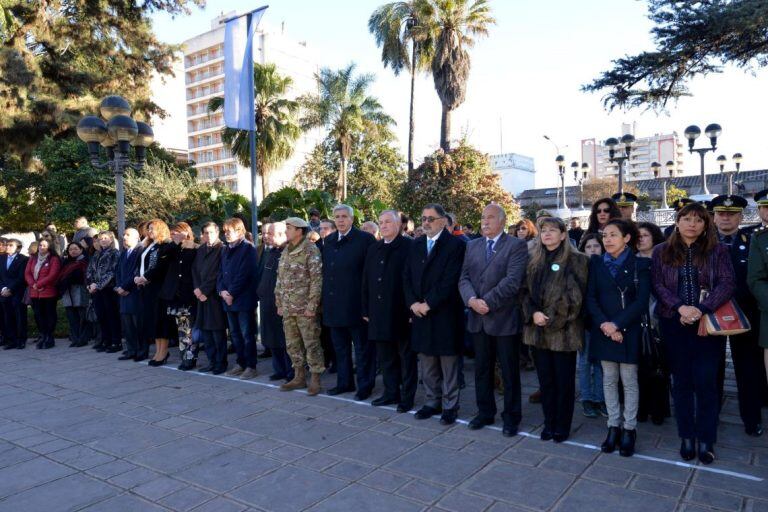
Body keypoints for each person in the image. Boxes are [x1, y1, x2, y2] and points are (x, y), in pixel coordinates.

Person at [652, 202, 735, 464]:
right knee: (682, 383)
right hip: (673, 323)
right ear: (677, 222)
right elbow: (657, 284)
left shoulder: (718, 250)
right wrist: (680, 307)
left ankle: (707, 439)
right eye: (686, 219)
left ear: (705, 224)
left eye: (698, 220)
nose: (692, 224)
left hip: (706, 325)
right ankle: (687, 436)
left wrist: (701, 308)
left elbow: (727, 282)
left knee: (707, 383)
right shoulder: (661, 250)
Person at [459, 204, 529, 436]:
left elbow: (512, 281)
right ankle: (485, 412)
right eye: (482, 217)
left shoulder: (516, 245)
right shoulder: (472, 245)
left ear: (501, 220)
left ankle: (511, 417)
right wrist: (471, 300)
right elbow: (464, 278)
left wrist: (485, 302)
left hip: (503, 318)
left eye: (490, 217)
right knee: (482, 370)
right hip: (478, 319)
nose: (484, 222)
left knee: (509, 372)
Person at [521, 217, 588, 442]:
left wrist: (549, 319)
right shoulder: (533, 260)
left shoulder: (577, 260)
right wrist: (533, 314)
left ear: (563, 234)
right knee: (546, 382)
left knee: (564, 382)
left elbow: (574, 298)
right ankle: (549, 422)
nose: (547, 234)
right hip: (537, 332)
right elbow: (523, 293)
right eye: (543, 230)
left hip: (563, 333)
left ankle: (562, 425)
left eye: (552, 230)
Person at [586, 219, 650, 457]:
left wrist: (617, 325)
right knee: (609, 379)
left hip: (628, 330)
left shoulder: (640, 264)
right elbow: (590, 297)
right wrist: (605, 324)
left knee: (629, 380)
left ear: (627, 238)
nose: (608, 240)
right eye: (605, 236)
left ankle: (630, 429)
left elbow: (641, 301)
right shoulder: (596, 264)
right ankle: (613, 426)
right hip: (603, 329)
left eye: (613, 235)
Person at [404, 203, 466, 425]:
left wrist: (428, 304)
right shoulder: (416, 244)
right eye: (423, 218)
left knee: (448, 363)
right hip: (420, 314)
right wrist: (413, 303)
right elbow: (407, 277)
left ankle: (450, 405)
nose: (426, 223)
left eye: (431, 218)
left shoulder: (455, 245)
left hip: (445, 313)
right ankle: (432, 402)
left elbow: (450, 280)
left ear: (443, 220)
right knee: (427, 362)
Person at [711, 195, 765, 437]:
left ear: (741, 217)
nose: (726, 217)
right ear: (713, 216)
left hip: (745, 314)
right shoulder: (703, 243)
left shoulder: (751, 240)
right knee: (711, 369)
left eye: (731, 214)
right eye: (721, 213)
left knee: (748, 370)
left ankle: (751, 419)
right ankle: (710, 416)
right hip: (710, 314)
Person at [362, 210, 415, 411]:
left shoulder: (410, 246)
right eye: (381, 222)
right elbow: (366, 280)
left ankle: (407, 398)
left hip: (402, 312)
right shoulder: (374, 248)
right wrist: (365, 308)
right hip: (378, 313)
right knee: (386, 357)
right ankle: (391, 393)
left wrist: (412, 310)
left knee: (406, 358)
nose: (383, 226)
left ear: (399, 224)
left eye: (387, 222)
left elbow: (414, 280)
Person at [322, 204, 377, 399]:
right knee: (340, 349)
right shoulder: (328, 241)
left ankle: (365, 385)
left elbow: (371, 274)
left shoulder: (365, 240)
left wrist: (368, 305)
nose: (341, 220)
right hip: (334, 306)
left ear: (352, 219)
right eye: (337, 216)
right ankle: (344, 383)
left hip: (357, 306)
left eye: (344, 216)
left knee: (362, 350)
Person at [275, 217, 324, 395]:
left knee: (311, 343)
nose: (286, 231)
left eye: (289, 228)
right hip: (288, 307)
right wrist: (279, 302)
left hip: (305, 308)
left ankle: (316, 379)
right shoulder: (286, 250)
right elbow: (279, 279)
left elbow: (316, 280)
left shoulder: (310, 250)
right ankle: (299, 376)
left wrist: (312, 306)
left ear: (299, 230)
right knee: (292, 344)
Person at [635, 221, 671, 425]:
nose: (641, 239)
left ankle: (659, 409)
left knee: (660, 366)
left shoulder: (663, 260)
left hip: (660, 319)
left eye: (645, 235)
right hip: (637, 322)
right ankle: (642, 408)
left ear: (655, 237)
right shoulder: (631, 260)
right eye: (637, 236)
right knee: (640, 368)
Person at [218, 217, 259, 379]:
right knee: (234, 334)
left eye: (229, 231)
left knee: (247, 334)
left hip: (243, 299)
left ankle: (251, 366)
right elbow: (220, 272)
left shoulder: (248, 249)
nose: (226, 234)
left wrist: (231, 293)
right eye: (225, 231)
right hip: (228, 299)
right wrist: (221, 290)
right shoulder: (225, 249)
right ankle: (240, 363)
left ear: (240, 231)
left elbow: (245, 274)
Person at [256, 222, 294, 381]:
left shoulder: (290, 252)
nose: (267, 237)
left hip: (282, 305)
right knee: (272, 338)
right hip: (267, 302)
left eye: (271, 234)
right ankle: (279, 370)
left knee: (285, 340)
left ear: (282, 234)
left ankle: (291, 372)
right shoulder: (272, 252)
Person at [134, 219, 174, 366]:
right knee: (153, 321)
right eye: (148, 229)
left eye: (152, 229)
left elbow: (161, 267)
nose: (149, 232)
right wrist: (137, 277)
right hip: (147, 289)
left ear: (161, 229)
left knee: (161, 321)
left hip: (160, 289)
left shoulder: (166, 245)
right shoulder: (149, 245)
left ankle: (163, 352)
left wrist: (145, 277)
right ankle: (158, 351)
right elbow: (140, 264)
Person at [161, 222, 198, 370]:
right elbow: (162, 256)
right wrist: (175, 244)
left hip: (189, 293)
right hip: (175, 295)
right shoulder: (171, 249)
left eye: (176, 233)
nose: (173, 236)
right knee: (182, 328)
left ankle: (190, 358)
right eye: (172, 233)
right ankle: (185, 358)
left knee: (189, 328)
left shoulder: (194, 248)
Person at [192, 222, 228, 375]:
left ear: (217, 232)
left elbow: (218, 273)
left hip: (214, 297)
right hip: (201, 297)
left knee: (217, 332)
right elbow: (194, 270)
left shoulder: (222, 249)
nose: (208, 235)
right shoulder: (201, 249)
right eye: (206, 233)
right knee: (206, 332)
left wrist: (204, 290)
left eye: (211, 232)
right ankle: (211, 361)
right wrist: (197, 289)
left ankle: (221, 362)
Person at [577, 232, 607, 419]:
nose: (593, 250)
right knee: (585, 361)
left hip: (603, 322)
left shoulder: (606, 266)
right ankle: (587, 398)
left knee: (601, 363)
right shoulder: (580, 268)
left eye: (596, 246)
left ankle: (600, 398)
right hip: (585, 322)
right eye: (588, 247)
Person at [87, 231, 122, 353]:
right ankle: (105, 340)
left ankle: (116, 342)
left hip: (108, 289)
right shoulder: (96, 254)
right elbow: (90, 270)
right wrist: (90, 284)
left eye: (106, 238)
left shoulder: (115, 253)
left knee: (111, 316)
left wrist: (99, 285)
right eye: (101, 238)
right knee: (101, 316)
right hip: (96, 290)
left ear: (111, 240)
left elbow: (112, 272)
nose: (103, 240)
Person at [24, 239, 61, 349]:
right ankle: (43, 335)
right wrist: (33, 284)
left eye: (45, 245)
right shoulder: (33, 258)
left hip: (48, 292)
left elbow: (53, 274)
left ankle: (49, 337)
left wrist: (39, 284)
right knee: (38, 315)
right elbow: (27, 273)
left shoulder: (53, 259)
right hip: (35, 292)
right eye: (40, 245)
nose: (42, 247)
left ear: (49, 247)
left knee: (49, 315)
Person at [114, 229, 143, 361]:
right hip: (123, 294)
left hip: (134, 292)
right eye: (124, 235)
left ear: (137, 237)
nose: (124, 237)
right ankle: (131, 350)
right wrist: (119, 286)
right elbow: (118, 271)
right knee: (127, 324)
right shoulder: (124, 253)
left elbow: (136, 272)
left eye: (127, 235)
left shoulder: (141, 251)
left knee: (138, 324)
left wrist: (125, 287)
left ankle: (141, 351)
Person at [58, 242, 89, 348]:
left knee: (82, 316)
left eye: (76, 249)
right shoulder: (66, 262)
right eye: (71, 249)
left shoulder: (84, 261)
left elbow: (82, 277)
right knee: (71, 317)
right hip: (67, 292)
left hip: (79, 291)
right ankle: (75, 338)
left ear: (81, 249)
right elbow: (61, 277)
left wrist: (68, 279)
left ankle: (83, 338)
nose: (73, 251)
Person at [0, 239, 29, 349]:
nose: (7, 247)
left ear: (18, 247)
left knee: (19, 316)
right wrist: (3, 288)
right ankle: (11, 340)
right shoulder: (1, 258)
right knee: (7, 317)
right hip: (3, 293)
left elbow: (21, 277)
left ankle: (21, 340)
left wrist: (10, 289)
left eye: (11, 245)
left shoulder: (23, 259)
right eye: (7, 245)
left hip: (17, 292)